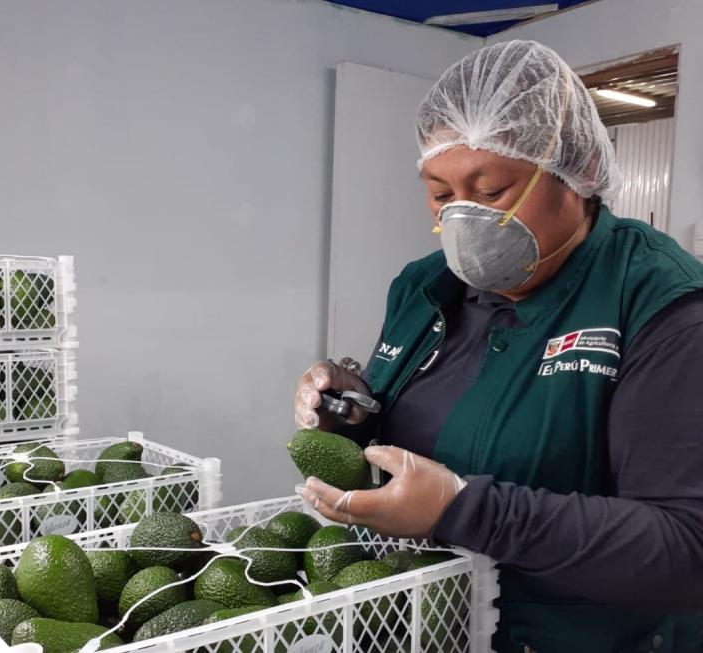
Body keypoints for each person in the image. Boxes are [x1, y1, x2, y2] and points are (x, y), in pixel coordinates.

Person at [294, 40, 703, 653]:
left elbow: (684, 547)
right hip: (428, 625)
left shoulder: (660, 304)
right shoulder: (421, 286)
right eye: (440, 193)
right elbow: (409, 436)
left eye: (491, 193)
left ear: (576, 173)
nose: (462, 218)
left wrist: (462, 508)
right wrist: (352, 409)